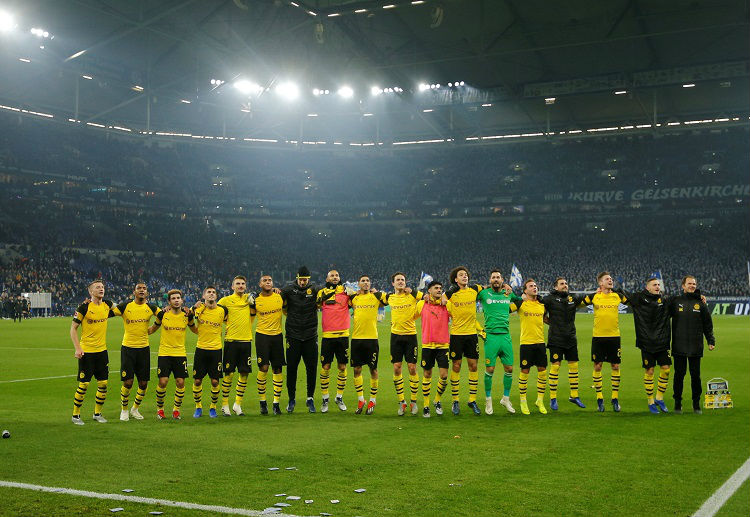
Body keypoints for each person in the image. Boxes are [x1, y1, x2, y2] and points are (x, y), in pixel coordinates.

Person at [618, 277, 673, 414]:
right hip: (646, 342)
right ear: (647, 287)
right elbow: (622, 294)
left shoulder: (664, 301)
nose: (657, 287)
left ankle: (659, 398)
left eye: (658, 285)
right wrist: (607, 289)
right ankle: (650, 401)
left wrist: (698, 296)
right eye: (654, 285)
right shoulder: (639, 298)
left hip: (662, 342)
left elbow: (683, 303)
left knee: (666, 369)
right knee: (649, 371)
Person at [110, 282, 159, 421]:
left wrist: (153, 328)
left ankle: (135, 409)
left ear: (147, 293)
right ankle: (124, 410)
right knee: (128, 382)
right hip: (128, 349)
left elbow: (163, 316)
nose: (142, 290)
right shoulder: (125, 306)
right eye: (139, 288)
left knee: (143, 383)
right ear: (134, 292)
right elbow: (108, 314)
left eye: (144, 288)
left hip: (144, 349)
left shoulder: (151, 307)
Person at [541, 277, 589, 411]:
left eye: (566, 283)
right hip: (556, 339)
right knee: (555, 367)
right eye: (562, 284)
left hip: (571, 339)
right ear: (556, 287)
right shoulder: (549, 299)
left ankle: (574, 396)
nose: (565, 285)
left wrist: (598, 292)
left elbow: (588, 300)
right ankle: (553, 398)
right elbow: (542, 315)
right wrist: (552, 323)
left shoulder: (572, 298)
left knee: (574, 367)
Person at [69, 280, 114, 425]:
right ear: (90, 292)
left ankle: (97, 413)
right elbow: (73, 329)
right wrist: (78, 348)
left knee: (103, 383)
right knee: (84, 385)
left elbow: (122, 309)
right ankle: (75, 415)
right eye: (97, 287)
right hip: (87, 352)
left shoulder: (107, 304)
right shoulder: (83, 307)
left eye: (102, 287)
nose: (101, 289)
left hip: (102, 351)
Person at [669, 275, 715, 414]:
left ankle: (696, 404)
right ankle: (678, 403)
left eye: (694, 284)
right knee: (679, 375)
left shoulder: (701, 303)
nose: (692, 286)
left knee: (696, 376)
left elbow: (708, 323)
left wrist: (710, 340)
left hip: (696, 345)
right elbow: (661, 313)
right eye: (689, 283)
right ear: (683, 286)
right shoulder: (675, 301)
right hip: (679, 345)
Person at [477, 270, 521, 415]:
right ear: (490, 280)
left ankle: (505, 399)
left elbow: (520, 301)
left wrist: (510, 289)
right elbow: (469, 295)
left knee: (509, 369)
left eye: (498, 277)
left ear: (502, 280)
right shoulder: (484, 293)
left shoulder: (508, 294)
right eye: (493, 277)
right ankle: (488, 399)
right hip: (491, 337)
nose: (496, 279)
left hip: (505, 337)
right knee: (490, 369)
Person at [583, 272, 628, 412]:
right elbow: (577, 304)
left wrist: (622, 291)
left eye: (611, 279)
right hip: (598, 337)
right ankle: (599, 399)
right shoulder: (594, 296)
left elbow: (633, 302)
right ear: (600, 283)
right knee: (598, 366)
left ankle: (615, 398)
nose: (610, 280)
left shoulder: (617, 296)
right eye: (607, 279)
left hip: (614, 337)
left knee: (615, 366)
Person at [443, 266, 483, 416]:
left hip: (472, 335)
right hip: (457, 335)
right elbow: (442, 299)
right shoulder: (452, 293)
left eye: (466, 274)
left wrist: (505, 286)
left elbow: (486, 288)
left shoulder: (474, 289)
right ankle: (455, 400)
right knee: (457, 366)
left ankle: (472, 400)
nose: (464, 276)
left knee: (473, 366)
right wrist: (449, 293)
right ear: (456, 279)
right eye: (461, 275)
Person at [149, 289, 194, 420]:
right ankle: (160, 410)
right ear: (169, 301)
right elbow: (153, 329)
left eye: (178, 298)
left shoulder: (187, 316)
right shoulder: (162, 315)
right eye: (173, 298)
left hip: (180, 353)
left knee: (180, 382)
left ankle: (176, 410)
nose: (176, 300)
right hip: (165, 353)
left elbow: (195, 329)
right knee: (163, 381)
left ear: (182, 300)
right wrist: (139, 332)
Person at [280, 266, 320, 413]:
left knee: (311, 369)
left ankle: (310, 398)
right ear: (297, 278)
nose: (303, 282)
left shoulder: (314, 288)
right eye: (301, 279)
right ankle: (291, 399)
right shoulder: (289, 288)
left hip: (310, 336)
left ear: (309, 279)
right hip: (293, 335)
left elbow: (328, 293)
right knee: (291, 369)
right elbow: (275, 296)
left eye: (305, 280)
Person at [383, 272, 423, 416]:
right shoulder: (390, 298)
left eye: (403, 280)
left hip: (411, 336)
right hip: (395, 337)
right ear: (393, 283)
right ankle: (402, 402)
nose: (400, 282)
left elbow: (425, 297)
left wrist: (413, 291)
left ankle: (413, 401)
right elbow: (375, 297)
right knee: (397, 367)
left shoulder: (412, 296)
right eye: (397, 280)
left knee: (412, 368)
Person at [349, 275, 387, 414]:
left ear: (370, 284)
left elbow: (388, 300)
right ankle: (361, 399)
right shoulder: (353, 298)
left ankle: (373, 400)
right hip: (357, 339)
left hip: (371, 339)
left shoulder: (376, 296)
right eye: (363, 281)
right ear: (358, 284)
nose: (366, 283)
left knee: (373, 369)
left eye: (367, 281)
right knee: (357, 370)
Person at [510, 279, 548, 415]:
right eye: (531, 286)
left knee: (542, 371)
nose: (534, 288)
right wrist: (518, 298)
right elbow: (507, 309)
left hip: (540, 342)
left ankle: (540, 400)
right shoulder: (522, 304)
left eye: (536, 286)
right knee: (525, 372)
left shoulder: (542, 305)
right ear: (525, 291)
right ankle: (523, 401)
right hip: (526, 343)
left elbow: (546, 319)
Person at [217, 276, 254, 416]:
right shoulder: (225, 300)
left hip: (246, 341)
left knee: (244, 373)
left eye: (243, 284)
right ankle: (225, 404)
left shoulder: (249, 299)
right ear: (232, 287)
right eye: (237, 284)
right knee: (229, 373)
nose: (240, 286)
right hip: (231, 341)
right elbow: (215, 311)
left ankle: (237, 404)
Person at [251, 275, 287, 415]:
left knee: (277, 369)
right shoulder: (255, 300)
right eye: (265, 281)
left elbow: (286, 311)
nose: (268, 282)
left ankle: (276, 404)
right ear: (260, 284)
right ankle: (263, 402)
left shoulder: (280, 297)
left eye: (270, 280)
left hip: (277, 336)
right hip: (262, 336)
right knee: (264, 367)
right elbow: (250, 317)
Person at [190, 286, 228, 419]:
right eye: (209, 292)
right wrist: (193, 309)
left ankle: (213, 407)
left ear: (216, 296)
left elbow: (230, 322)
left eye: (213, 292)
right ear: (204, 296)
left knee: (215, 381)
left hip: (216, 350)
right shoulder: (198, 309)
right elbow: (186, 317)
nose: (211, 294)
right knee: (198, 380)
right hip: (201, 349)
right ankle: (198, 407)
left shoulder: (222, 311)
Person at [316, 270, 351, 412]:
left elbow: (358, 299)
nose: (335, 277)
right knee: (326, 367)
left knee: (342, 367)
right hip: (328, 336)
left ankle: (339, 397)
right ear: (327, 278)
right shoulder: (321, 292)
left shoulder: (347, 291)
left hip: (343, 335)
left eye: (337, 276)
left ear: (339, 278)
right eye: (332, 276)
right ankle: (325, 398)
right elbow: (317, 304)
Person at [415, 280, 450, 418]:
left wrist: (445, 300)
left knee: (444, 376)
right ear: (429, 290)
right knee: (427, 375)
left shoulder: (447, 305)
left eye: (440, 288)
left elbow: (458, 315)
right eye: (436, 288)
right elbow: (412, 316)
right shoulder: (422, 304)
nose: (439, 290)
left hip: (443, 345)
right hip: (428, 345)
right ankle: (426, 405)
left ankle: (437, 400)